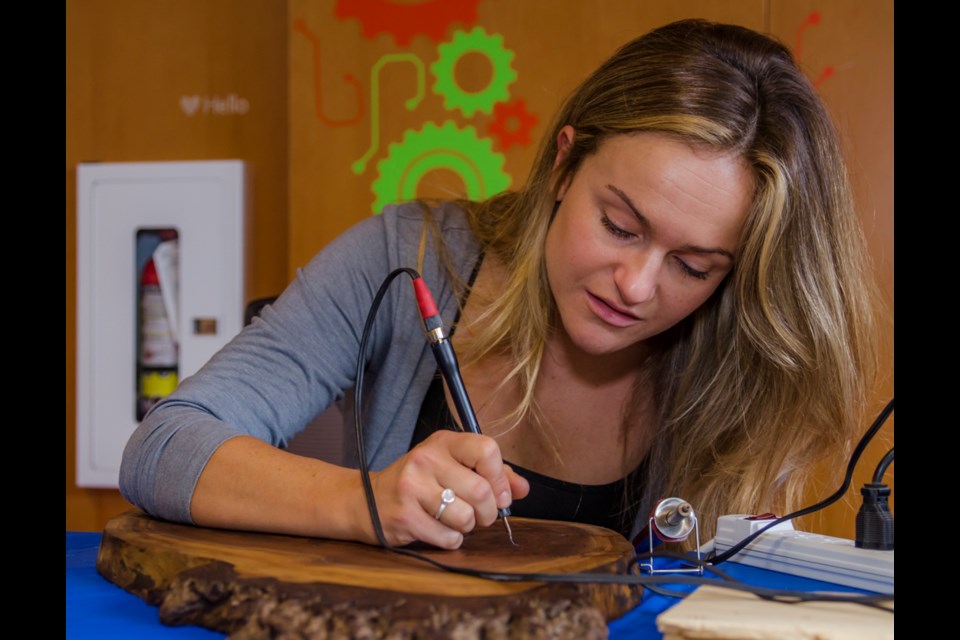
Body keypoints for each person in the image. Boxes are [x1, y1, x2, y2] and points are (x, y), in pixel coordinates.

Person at [120, 18, 879, 551]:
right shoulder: (409, 253)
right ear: (562, 164)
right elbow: (163, 448)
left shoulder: (745, 359)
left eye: (693, 267)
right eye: (619, 224)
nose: (638, 285)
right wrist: (370, 503)